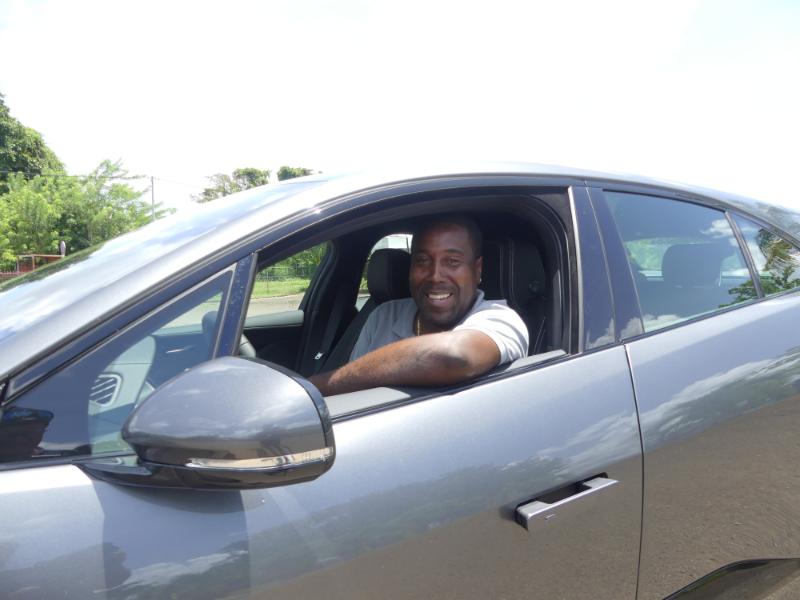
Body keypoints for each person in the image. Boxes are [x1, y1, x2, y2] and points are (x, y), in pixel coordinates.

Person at [309, 215, 529, 396]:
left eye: (452, 261)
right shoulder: (383, 315)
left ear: (477, 269)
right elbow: (351, 396)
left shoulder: (501, 319)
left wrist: (314, 388)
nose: (435, 276)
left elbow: (453, 356)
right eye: (422, 261)